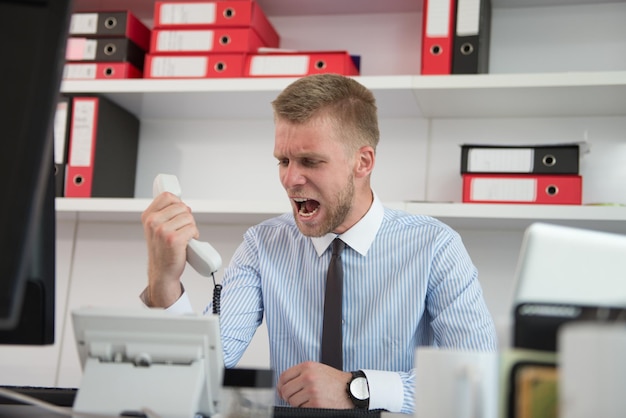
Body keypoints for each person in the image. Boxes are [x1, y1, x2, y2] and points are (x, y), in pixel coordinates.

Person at [141, 73, 498, 414]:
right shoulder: (262, 244)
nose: (290, 179)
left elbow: (478, 380)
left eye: (310, 161)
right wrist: (164, 282)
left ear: (363, 162)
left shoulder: (436, 246)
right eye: (283, 160)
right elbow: (196, 374)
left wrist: (358, 388)